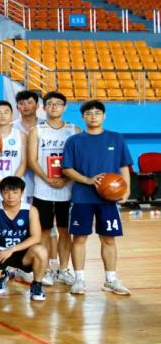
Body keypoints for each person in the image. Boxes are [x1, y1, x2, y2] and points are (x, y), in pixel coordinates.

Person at [62, 100, 132, 296]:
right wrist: (88, 180)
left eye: (97, 113)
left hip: (108, 198)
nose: (93, 116)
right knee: (79, 238)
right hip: (82, 197)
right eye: (89, 113)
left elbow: (124, 166)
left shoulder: (116, 138)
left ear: (104, 116)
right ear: (82, 117)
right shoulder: (74, 141)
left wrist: (126, 190)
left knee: (109, 239)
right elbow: (67, 168)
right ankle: (79, 279)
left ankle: (110, 280)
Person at [27, 91, 79, 287]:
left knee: (65, 231)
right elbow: (32, 160)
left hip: (68, 189)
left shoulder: (74, 130)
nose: (54, 107)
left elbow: (78, 160)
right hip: (43, 189)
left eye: (58, 103)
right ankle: (47, 268)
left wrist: (66, 178)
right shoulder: (37, 130)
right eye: (50, 103)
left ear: (65, 107)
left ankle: (64, 269)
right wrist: (47, 178)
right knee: (45, 231)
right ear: (44, 108)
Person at [0, 176, 48, 301]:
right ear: (1, 193)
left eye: (15, 192)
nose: (10, 196)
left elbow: (36, 237)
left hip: (20, 252)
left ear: (22, 192)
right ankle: (4, 275)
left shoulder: (30, 210)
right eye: (6, 192)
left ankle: (37, 285)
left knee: (41, 251)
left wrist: (12, 249)